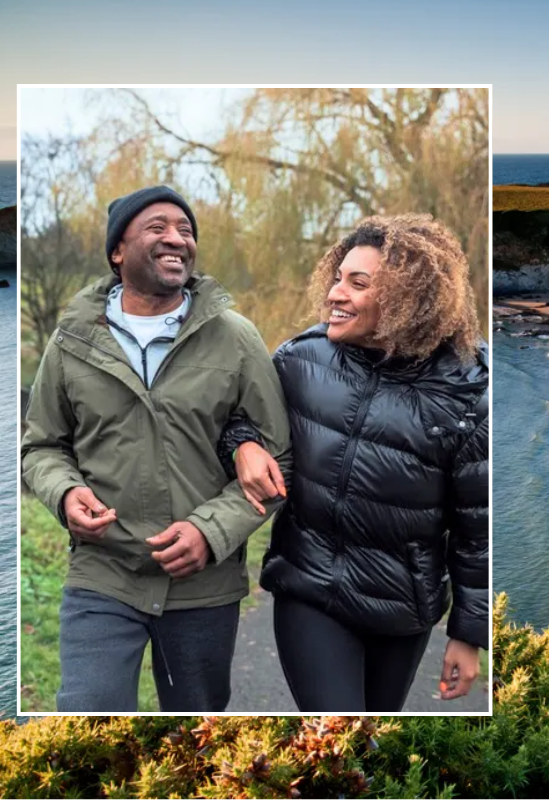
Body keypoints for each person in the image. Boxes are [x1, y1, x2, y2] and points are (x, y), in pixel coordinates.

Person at [21, 185, 292, 712]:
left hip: (203, 586)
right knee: (86, 724)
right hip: (103, 574)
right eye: (158, 227)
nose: (177, 239)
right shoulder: (71, 340)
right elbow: (42, 448)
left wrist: (210, 532)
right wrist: (65, 494)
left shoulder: (236, 338)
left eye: (186, 230)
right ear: (117, 251)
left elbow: (279, 458)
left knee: (193, 740)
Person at [219, 213, 489, 712]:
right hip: (309, 589)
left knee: (370, 750)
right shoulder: (301, 359)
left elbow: (478, 529)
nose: (334, 294)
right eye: (337, 278)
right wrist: (244, 444)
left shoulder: (467, 391)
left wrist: (467, 634)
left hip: (401, 610)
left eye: (357, 283)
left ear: (410, 299)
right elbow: (239, 415)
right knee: (336, 739)